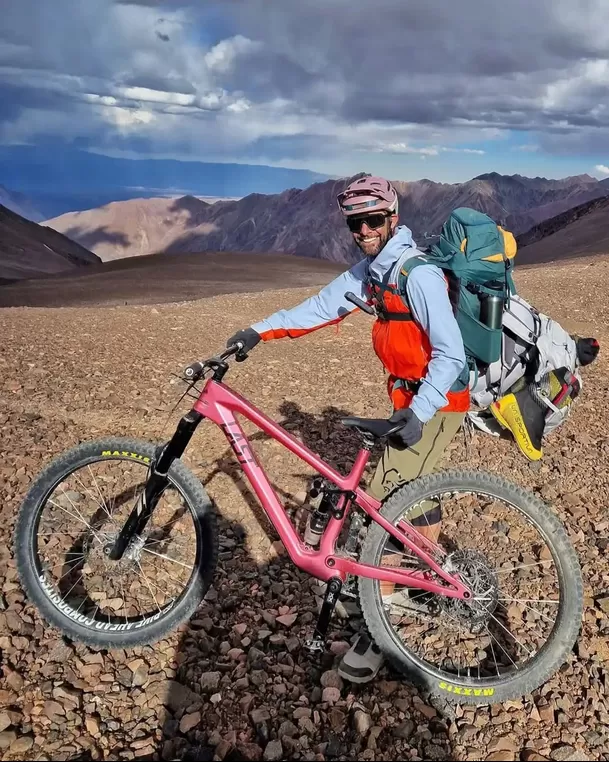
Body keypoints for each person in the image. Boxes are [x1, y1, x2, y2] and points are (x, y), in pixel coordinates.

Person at [225, 175, 471, 682]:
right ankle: (423, 575)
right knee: (410, 492)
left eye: (373, 220)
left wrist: (420, 411)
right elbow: (319, 307)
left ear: (393, 218)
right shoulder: (373, 274)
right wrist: (258, 331)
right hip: (412, 401)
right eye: (355, 223)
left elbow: (451, 355)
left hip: (439, 402)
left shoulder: (417, 275)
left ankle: (382, 630)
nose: (363, 231)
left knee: (382, 504)